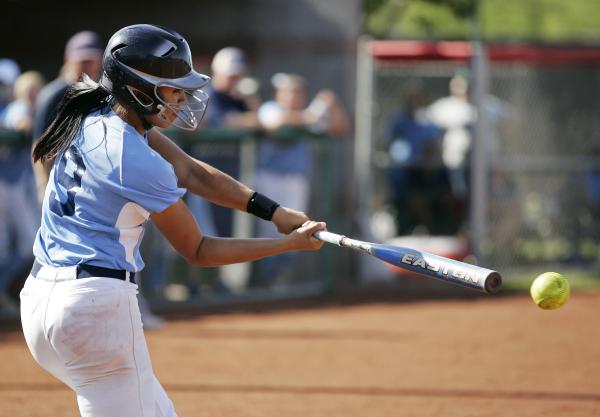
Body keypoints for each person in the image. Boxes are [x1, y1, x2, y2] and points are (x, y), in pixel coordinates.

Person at [20, 24, 324, 417]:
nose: (182, 97)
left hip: (42, 301)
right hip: (93, 309)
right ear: (135, 89)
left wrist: (274, 213)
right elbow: (198, 249)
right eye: (173, 88)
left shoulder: (93, 105)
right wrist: (287, 244)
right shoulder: (135, 158)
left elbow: (192, 172)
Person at [253, 73, 349, 286]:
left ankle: (280, 280)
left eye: (297, 92)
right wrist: (309, 115)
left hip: (295, 181)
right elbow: (274, 123)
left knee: (294, 230)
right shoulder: (271, 108)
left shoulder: (307, 116)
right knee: (268, 233)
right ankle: (263, 284)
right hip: (270, 179)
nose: (292, 97)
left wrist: (331, 105)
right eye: (288, 92)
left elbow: (340, 128)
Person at [32, 30, 103, 204]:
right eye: (81, 61)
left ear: (100, 61)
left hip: (97, 181)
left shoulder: (105, 94)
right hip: (62, 181)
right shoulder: (53, 95)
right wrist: (43, 185)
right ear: (68, 60)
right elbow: (40, 145)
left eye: (90, 60)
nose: (86, 66)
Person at [0, 70, 44, 319]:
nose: (34, 95)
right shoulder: (19, 108)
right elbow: (22, 125)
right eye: (30, 90)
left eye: (36, 90)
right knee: (28, 246)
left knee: (11, 248)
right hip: (10, 186)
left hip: (16, 184)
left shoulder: (16, 107)